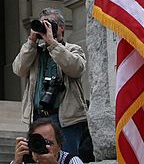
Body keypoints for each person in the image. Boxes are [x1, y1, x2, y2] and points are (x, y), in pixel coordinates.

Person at [12, 8, 89, 160]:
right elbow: (19, 69)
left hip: (65, 118)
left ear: (62, 27)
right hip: (39, 117)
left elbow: (76, 68)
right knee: (40, 158)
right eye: (42, 24)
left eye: (50, 23)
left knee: (66, 158)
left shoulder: (72, 49)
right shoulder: (35, 51)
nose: (46, 27)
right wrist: (31, 41)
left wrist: (52, 43)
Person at [12, 118, 84, 164]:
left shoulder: (71, 161)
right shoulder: (25, 160)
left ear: (59, 145)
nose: (43, 146)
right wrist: (16, 162)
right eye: (38, 142)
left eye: (47, 143)